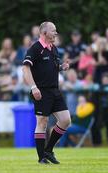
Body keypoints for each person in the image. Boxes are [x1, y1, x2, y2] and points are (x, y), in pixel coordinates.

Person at [22, 22, 71, 164]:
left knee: (65, 120)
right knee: (42, 123)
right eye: (53, 31)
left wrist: (62, 67)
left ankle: (48, 150)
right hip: (41, 91)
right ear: (44, 33)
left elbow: (52, 68)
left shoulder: (54, 48)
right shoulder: (35, 48)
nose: (56, 33)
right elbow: (25, 69)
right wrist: (33, 87)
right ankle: (41, 158)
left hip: (55, 90)